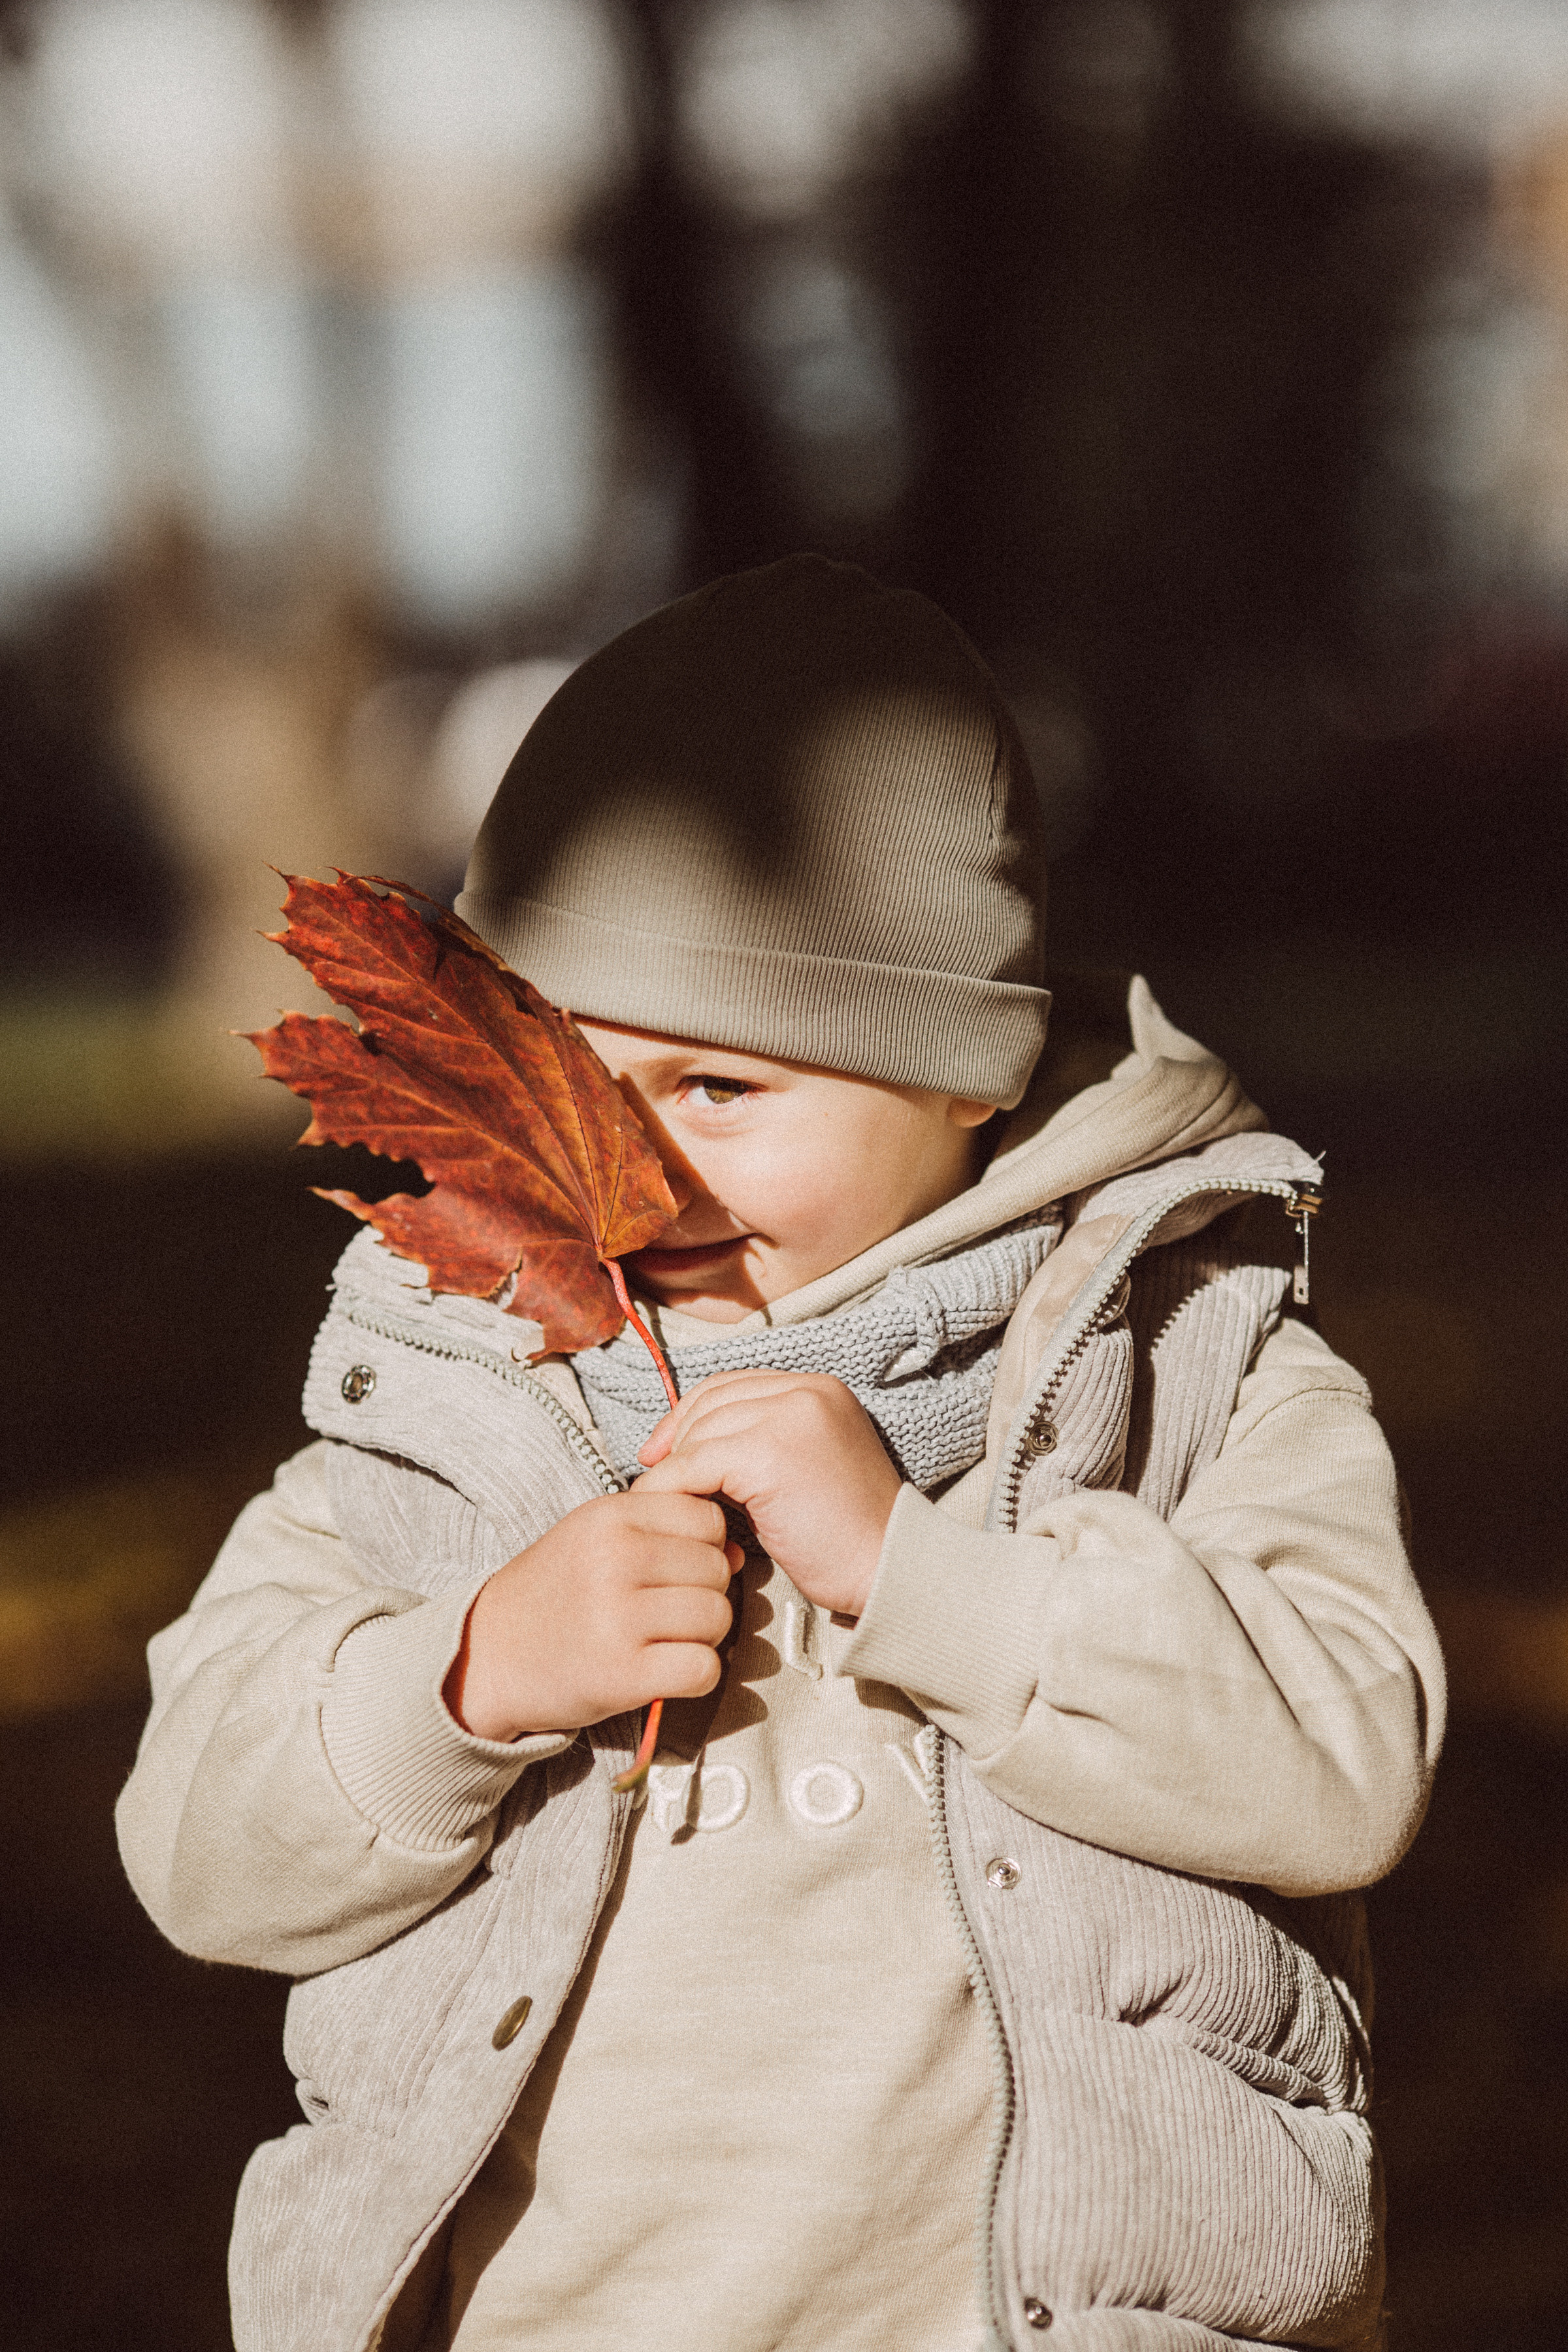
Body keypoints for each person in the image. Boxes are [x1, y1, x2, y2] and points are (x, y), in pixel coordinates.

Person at [116, 555, 1445, 2352]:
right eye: (574, 1086)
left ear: (969, 1076)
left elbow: (1342, 1756)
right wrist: (469, 1677)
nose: (643, 1174)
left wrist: (926, 1576)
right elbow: (201, 1842)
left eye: (723, 1089)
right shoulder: (439, 1398)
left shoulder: (1192, 1356)